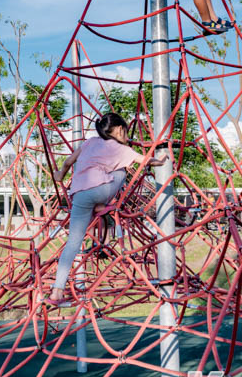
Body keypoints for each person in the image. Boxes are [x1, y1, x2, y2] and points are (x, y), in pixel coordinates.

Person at [45, 112, 169, 306]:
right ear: (120, 130)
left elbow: (69, 162)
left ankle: (57, 291)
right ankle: (103, 203)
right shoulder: (121, 149)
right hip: (102, 191)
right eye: (126, 131)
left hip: (79, 194)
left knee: (73, 243)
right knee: (120, 170)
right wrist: (160, 161)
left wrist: (60, 174)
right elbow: (145, 160)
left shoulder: (89, 142)